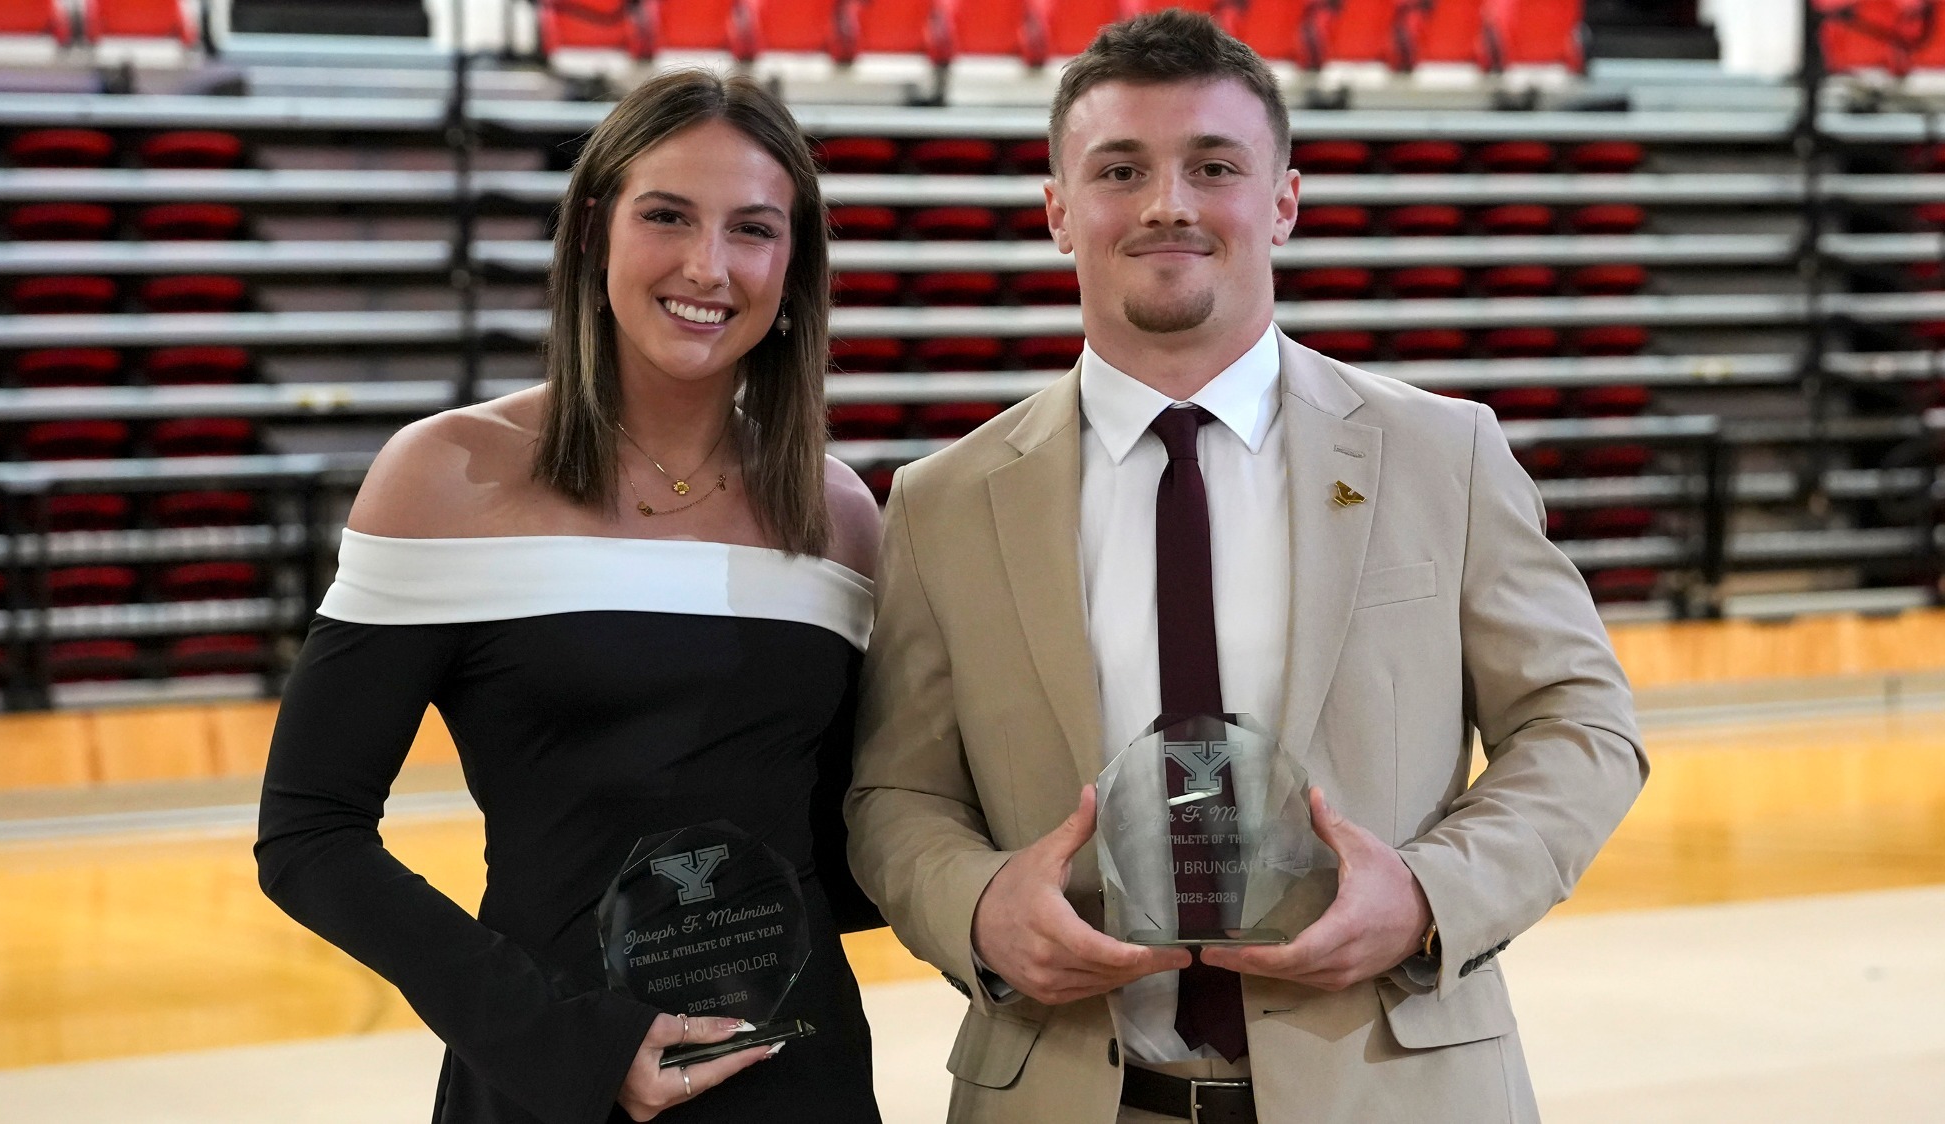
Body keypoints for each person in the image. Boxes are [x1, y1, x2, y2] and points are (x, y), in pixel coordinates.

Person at [846, 10, 1646, 1123]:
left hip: (1391, 1086)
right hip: (1071, 1091)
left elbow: (1581, 725)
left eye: (1212, 166)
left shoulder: (1440, 454)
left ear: (1281, 201)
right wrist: (978, 905)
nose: (1166, 201)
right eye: (1119, 169)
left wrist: (1426, 893)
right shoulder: (942, 501)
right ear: (1056, 212)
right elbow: (896, 794)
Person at [255, 69, 884, 1124]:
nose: (707, 265)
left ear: (793, 265)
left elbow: (852, 832)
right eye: (667, 215)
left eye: (754, 229)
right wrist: (569, 1041)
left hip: (799, 1077)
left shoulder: (837, 512)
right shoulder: (445, 477)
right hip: (557, 1082)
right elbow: (309, 831)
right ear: (594, 230)